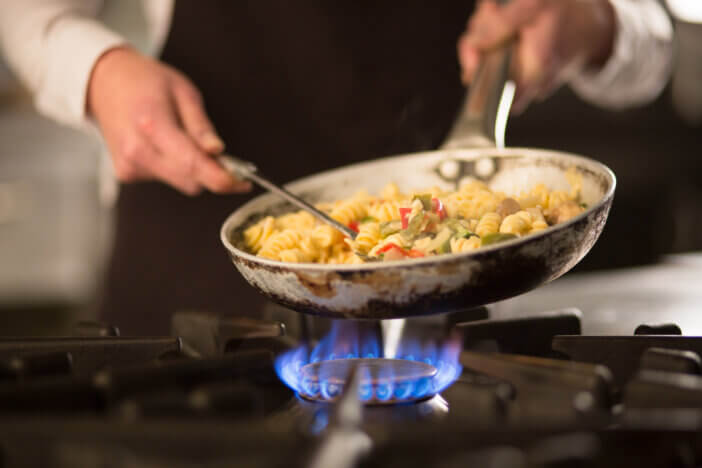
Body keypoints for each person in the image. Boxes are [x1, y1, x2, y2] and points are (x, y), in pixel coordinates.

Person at [0, 0, 673, 334]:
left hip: (447, 308)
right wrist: (97, 71)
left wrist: (596, 18)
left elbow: (652, 31)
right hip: (187, 287)